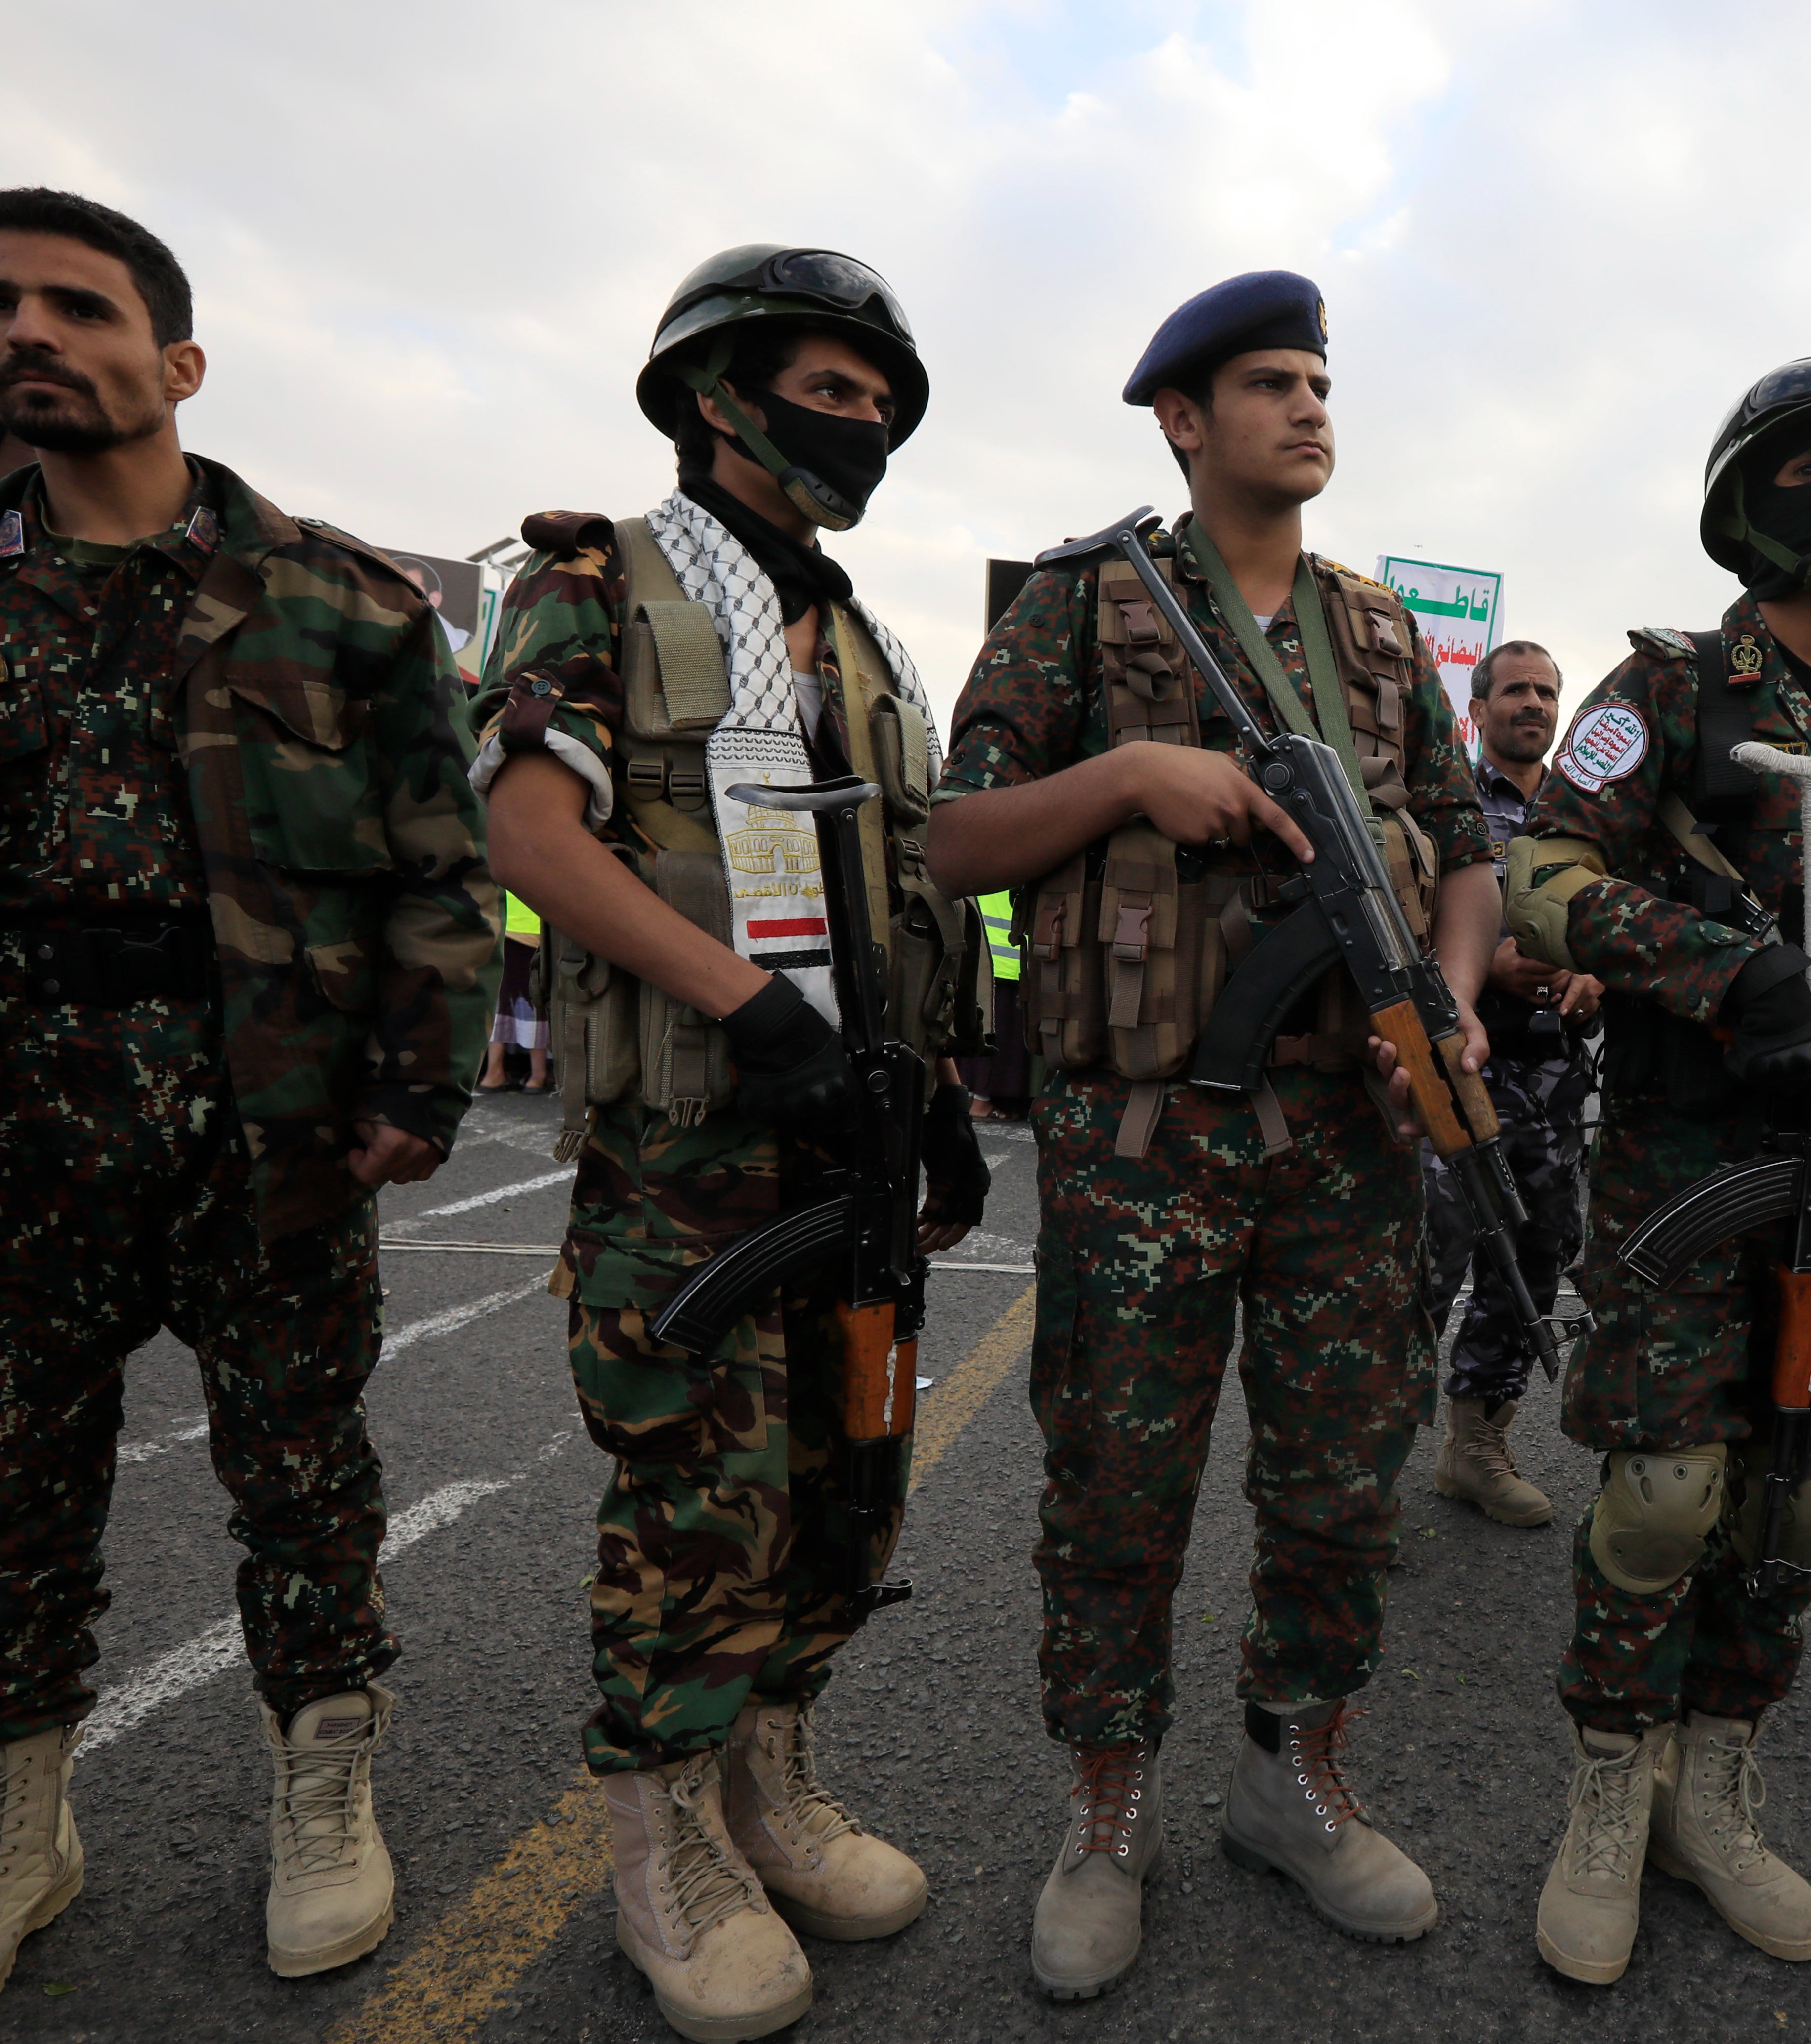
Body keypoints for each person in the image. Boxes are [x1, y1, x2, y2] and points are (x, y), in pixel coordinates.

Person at [0, 187, 497, 2032]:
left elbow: (438, 874)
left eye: (76, 306)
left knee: (304, 1483)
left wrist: (419, 1080)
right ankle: (5, 1833)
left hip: (265, 1121)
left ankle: (322, 1789)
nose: (26, 333)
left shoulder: (343, 603)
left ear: (181, 362)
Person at [923, 271, 1493, 1999]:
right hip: (1146, 1133)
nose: (1309, 407)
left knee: (1338, 1482)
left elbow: (1467, 853)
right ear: (1184, 418)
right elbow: (948, 843)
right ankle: (1108, 1805)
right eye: (1268, 382)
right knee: (1118, 1485)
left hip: (1351, 1137)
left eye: (1321, 380)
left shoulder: (1383, 630)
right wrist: (1124, 779)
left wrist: (1450, 1004)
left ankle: (1291, 1775)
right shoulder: (1079, 606)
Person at [475, 245, 988, 2041]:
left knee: (844, 1487)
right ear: (713, 395)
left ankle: (770, 1783)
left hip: (849, 1136)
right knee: (697, 1504)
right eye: (823, 387)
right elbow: (540, 838)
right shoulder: (588, 581)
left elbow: (906, 879)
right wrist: (753, 1011)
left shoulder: (858, 637)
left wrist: (937, 1090)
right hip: (695, 1141)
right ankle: (665, 1837)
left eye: (874, 398)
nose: (855, 420)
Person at [1502, 356, 1811, 1984]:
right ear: (1741, 500)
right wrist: (1719, 968)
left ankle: (1717, 1778)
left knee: (1805, 1486)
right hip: (1694, 1156)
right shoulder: (1671, 685)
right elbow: (1538, 870)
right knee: (1668, 1485)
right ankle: (1609, 1786)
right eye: (1807, 459)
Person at [1420, 639, 1601, 1529]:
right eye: (1515, 690)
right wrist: (1481, 965)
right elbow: (1403, 918)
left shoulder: (1584, 812)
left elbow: (1615, 917)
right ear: (1479, 708)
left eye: (1546, 692)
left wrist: (1591, 974)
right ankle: (1356, 1460)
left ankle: (1474, 1446)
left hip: (1557, 1084)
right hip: (1459, 1074)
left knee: (1534, 1260)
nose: (1533, 704)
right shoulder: (1442, 799)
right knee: (1421, 1262)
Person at [968, 888, 1030, 1118]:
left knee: (977, 1026)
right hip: (1009, 955)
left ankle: (973, 1094)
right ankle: (983, 1101)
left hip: (980, 949)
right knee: (1002, 1034)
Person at [480, 891, 551, 1093]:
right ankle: (538, 1077)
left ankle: (493, 1075)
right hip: (534, 931)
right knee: (533, 1002)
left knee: (502, 1002)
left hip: (501, 924)